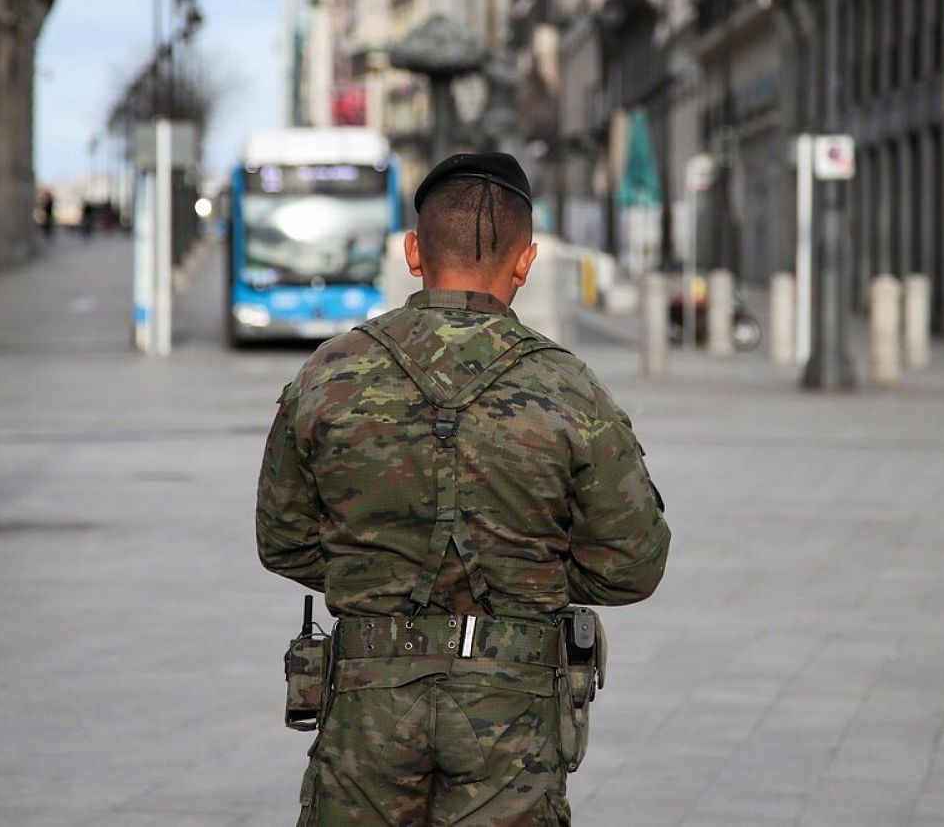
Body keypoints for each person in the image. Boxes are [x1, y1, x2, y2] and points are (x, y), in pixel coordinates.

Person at [257, 152, 670, 825]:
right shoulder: (571, 389)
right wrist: (525, 581)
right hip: (510, 712)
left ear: (413, 251)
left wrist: (372, 571)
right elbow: (633, 565)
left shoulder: (328, 373)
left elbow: (282, 541)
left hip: (368, 699)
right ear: (526, 262)